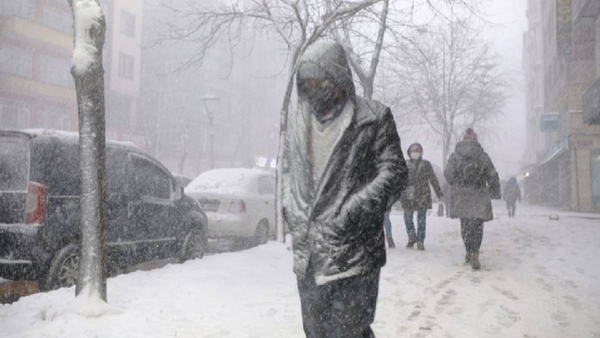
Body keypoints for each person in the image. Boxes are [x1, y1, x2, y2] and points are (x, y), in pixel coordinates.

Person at [281, 41, 408, 338]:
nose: (313, 89)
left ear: (338, 79)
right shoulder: (298, 122)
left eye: (320, 81)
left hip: (354, 252)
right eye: (307, 83)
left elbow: (394, 172)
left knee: (348, 333)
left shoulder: (372, 118)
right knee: (316, 333)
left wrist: (352, 212)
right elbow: (289, 171)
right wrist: (291, 208)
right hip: (310, 253)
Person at [444, 128, 501, 270]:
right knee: (477, 226)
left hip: (461, 195)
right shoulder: (482, 155)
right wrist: (494, 192)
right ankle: (475, 253)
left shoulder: (455, 155)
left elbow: (448, 174)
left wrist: (456, 183)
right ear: (476, 140)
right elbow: (492, 174)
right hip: (479, 194)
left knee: (465, 225)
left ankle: (468, 250)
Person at [400, 143, 443, 250]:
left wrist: (439, 193)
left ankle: (420, 240)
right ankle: (411, 237)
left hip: (423, 195)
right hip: (408, 195)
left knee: (421, 220)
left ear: (421, 152)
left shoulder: (426, 164)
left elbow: (433, 179)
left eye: (417, 151)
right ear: (409, 153)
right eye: (413, 151)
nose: (415, 153)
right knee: (407, 218)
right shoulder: (405, 164)